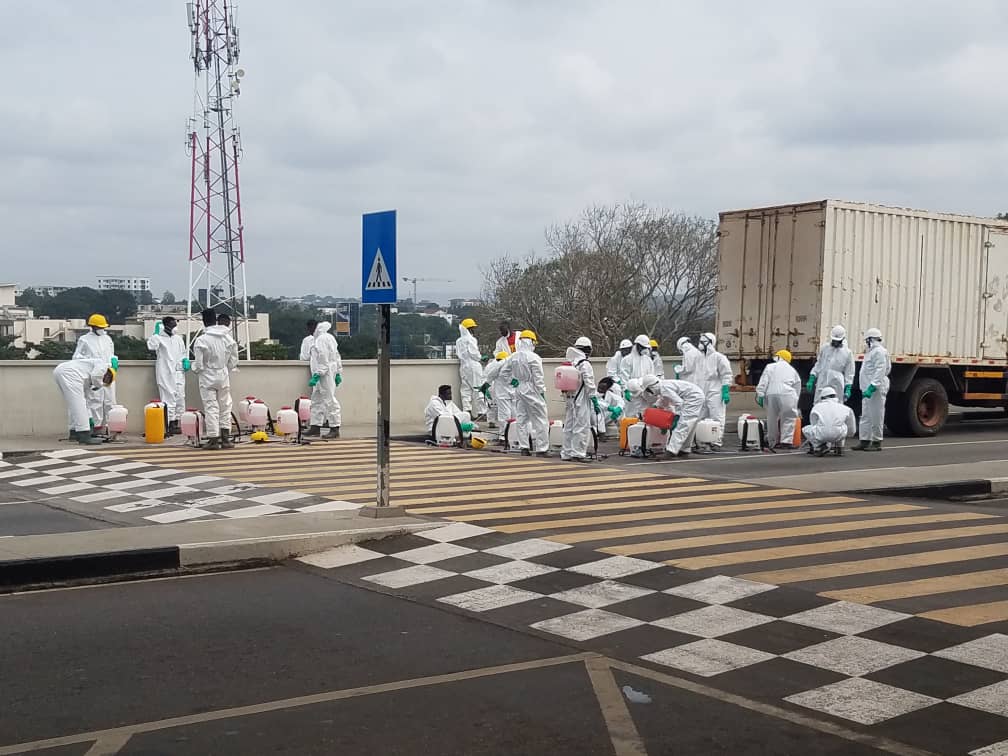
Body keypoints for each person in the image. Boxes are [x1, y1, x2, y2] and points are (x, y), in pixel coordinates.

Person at [192, 308, 239, 450]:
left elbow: (199, 365)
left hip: (207, 376)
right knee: (225, 406)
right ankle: (226, 439)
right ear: (216, 320)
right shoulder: (227, 338)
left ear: (204, 322)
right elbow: (233, 361)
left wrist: (194, 368)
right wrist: (225, 367)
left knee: (211, 407)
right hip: (223, 374)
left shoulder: (201, 340)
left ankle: (213, 440)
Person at [498, 329, 549, 455]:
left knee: (521, 419)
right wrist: (542, 392)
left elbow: (503, 373)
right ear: (531, 342)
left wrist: (513, 381)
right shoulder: (534, 358)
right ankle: (542, 449)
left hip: (519, 388)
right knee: (540, 419)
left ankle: (524, 447)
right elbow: (538, 378)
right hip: (532, 389)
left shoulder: (513, 357)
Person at [634, 374, 705, 456]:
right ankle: (684, 449)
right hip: (695, 395)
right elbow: (664, 400)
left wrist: (677, 417)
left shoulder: (664, 388)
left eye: (649, 390)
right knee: (689, 424)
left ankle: (671, 451)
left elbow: (679, 403)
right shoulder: (663, 387)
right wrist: (656, 406)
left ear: (652, 386)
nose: (650, 393)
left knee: (683, 424)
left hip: (693, 398)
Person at [53, 357, 116, 445]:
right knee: (78, 405)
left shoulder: (86, 379)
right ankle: (84, 436)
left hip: (63, 371)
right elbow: (96, 376)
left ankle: (74, 432)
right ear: (108, 373)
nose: (104, 381)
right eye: (106, 379)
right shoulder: (103, 365)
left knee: (75, 404)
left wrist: (90, 420)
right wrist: (99, 385)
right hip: (70, 373)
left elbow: (87, 403)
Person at [73, 313, 117, 433]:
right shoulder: (84, 340)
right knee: (95, 401)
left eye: (103, 327)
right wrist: (92, 363)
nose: (102, 330)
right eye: (100, 327)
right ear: (92, 327)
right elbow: (76, 358)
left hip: (108, 373)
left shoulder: (107, 338)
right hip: (93, 374)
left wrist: (114, 364)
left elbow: (111, 354)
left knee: (110, 401)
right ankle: (96, 428)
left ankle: (110, 427)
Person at [147, 316, 188, 435]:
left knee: (180, 397)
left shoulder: (178, 338)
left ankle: (176, 423)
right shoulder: (159, 338)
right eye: (172, 323)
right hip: (165, 372)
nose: (175, 325)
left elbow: (183, 352)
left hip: (178, 372)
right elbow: (151, 346)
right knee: (168, 398)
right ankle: (168, 424)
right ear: (166, 325)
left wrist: (185, 361)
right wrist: (155, 335)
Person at [853, 327, 891, 451]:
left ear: (871, 339)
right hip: (867, 388)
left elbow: (880, 370)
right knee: (866, 415)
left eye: (867, 340)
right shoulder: (871, 352)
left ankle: (876, 441)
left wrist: (873, 386)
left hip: (875, 388)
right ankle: (864, 440)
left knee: (876, 415)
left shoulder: (879, 352)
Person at [560, 336, 597, 463]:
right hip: (581, 398)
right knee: (581, 426)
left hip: (570, 398)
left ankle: (567, 452)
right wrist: (594, 398)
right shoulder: (584, 364)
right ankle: (578, 453)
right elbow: (589, 382)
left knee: (569, 426)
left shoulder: (572, 362)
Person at [756, 349, 802, 448]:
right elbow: (797, 385)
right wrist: (795, 400)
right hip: (787, 394)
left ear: (778, 357)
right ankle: (786, 442)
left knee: (772, 418)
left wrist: (760, 394)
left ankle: (772, 441)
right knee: (789, 417)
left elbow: (764, 381)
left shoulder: (770, 367)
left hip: (771, 393)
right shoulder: (792, 370)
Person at [307, 321, 343, 438]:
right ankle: (315, 426)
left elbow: (323, 358)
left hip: (323, 374)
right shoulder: (329, 337)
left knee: (329, 399)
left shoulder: (320, 340)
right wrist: (338, 372)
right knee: (317, 399)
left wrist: (318, 374)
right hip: (326, 372)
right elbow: (336, 356)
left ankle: (334, 428)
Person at [696, 332, 733, 441]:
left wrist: (725, 389)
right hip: (701, 391)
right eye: (700, 341)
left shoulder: (719, 357)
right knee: (701, 417)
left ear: (710, 343)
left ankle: (716, 440)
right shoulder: (699, 358)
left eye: (703, 342)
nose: (700, 344)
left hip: (715, 391)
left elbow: (726, 374)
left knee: (716, 417)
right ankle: (702, 440)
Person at [807, 325, 855, 403]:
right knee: (819, 403)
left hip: (837, 383)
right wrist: (812, 377)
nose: (835, 343)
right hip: (822, 380)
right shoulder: (825, 348)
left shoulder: (847, 353)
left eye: (837, 341)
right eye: (834, 340)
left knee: (836, 406)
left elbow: (849, 372)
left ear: (842, 339)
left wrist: (848, 388)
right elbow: (819, 364)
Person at [803, 387, 856, 455]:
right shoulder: (846, 408)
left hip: (821, 435)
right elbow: (852, 429)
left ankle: (820, 446)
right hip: (839, 435)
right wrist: (849, 434)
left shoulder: (816, 407)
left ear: (822, 397)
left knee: (806, 429)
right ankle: (839, 448)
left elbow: (813, 423)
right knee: (842, 425)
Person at [455, 318, 486, 421]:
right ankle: (481, 412)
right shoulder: (471, 340)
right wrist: (481, 357)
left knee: (465, 389)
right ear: (469, 329)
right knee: (478, 388)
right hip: (473, 366)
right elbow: (474, 354)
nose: (474, 330)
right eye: (473, 328)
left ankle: (467, 411)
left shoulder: (459, 341)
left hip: (463, 366)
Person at [481, 351, 514, 441]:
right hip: (512, 394)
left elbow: (490, 376)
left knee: (504, 415)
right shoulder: (512, 363)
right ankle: (513, 435)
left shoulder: (498, 365)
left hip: (503, 394)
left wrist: (485, 385)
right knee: (513, 414)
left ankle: (504, 436)